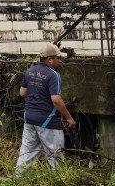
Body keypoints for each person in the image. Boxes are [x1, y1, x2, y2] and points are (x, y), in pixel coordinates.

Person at [16, 43, 76, 172]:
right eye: (58, 58)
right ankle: (60, 183)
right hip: (47, 120)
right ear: (49, 59)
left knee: (27, 153)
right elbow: (56, 100)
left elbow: (22, 93)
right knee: (56, 156)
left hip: (30, 118)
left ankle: (18, 180)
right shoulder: (54, 75)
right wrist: (69, 118)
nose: (60, 61)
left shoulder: (29, 71)